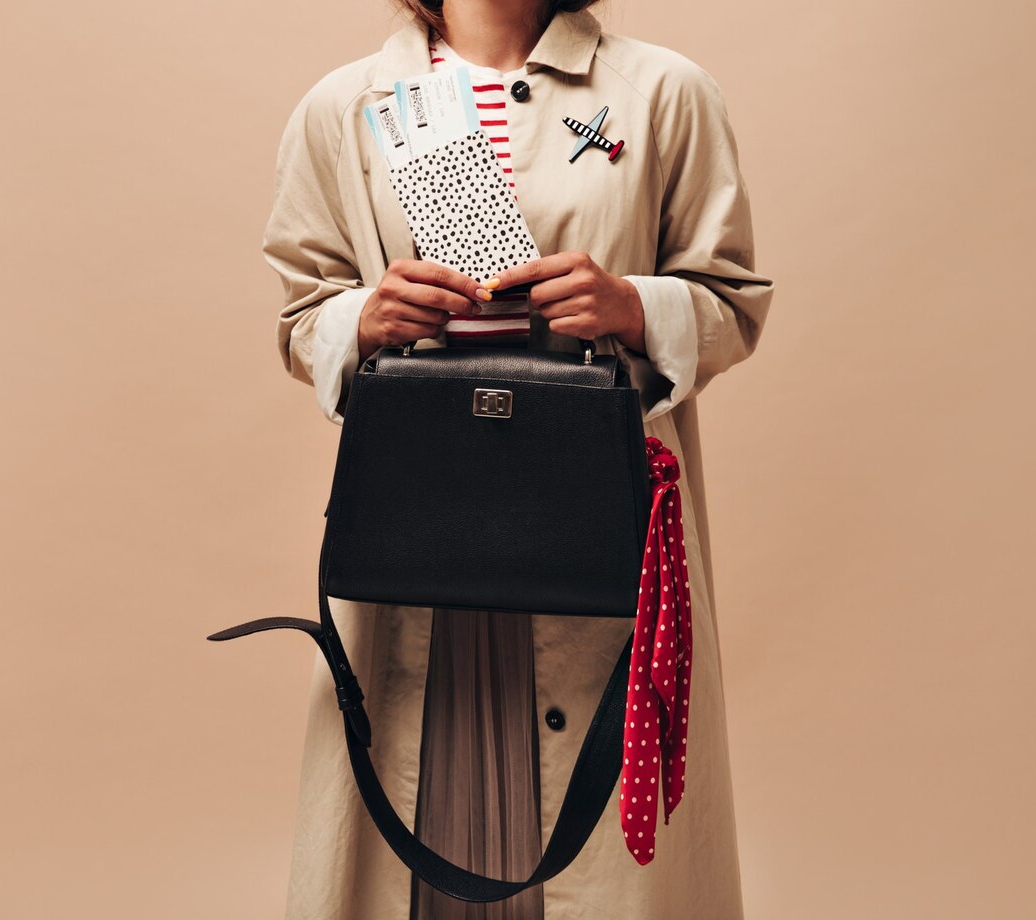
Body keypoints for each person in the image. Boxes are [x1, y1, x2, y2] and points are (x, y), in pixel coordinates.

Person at [263, 1, 774, 917]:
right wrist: (363, 319)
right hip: (414, 536)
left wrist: (633, 306)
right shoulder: (344, 106)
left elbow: (731, 302)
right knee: (408, 825)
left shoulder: (664, 92)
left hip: (596, 532)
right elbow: (303, 318)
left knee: (599, 853)